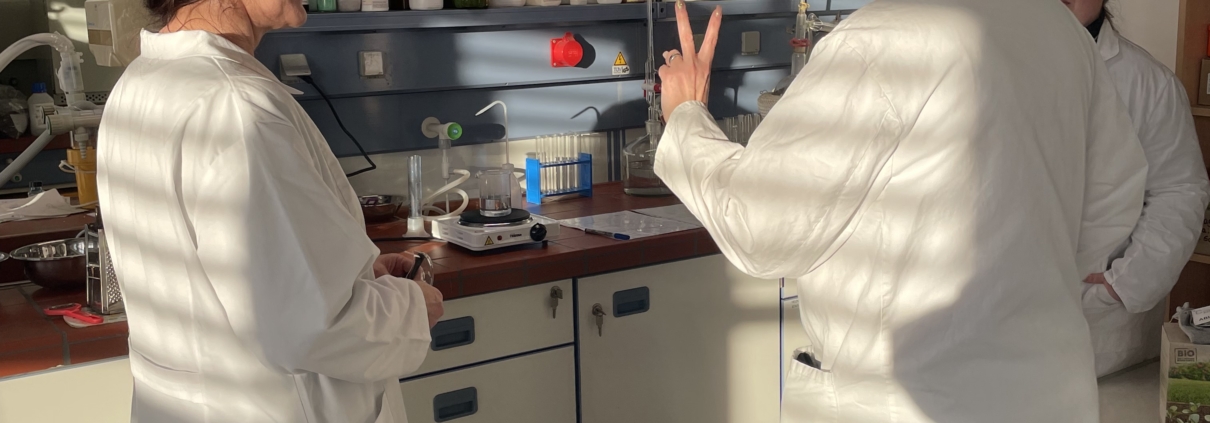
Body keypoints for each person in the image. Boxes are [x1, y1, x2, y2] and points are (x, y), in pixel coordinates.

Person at [654, 0, 1147, 421]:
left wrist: (685, 118)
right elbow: (1111, 205)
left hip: (907, 402)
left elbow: (759, 227)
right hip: (1047, 397)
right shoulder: (1058, 30)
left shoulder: (881, 38)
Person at [94, 0, 444, 420]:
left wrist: (349, 275)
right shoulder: (238, 108)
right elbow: (311, 327)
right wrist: (412, 307)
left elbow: (232, 282)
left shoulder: (140, 81)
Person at [1063, 0, 1210, 378]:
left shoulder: (1149, 83)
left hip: (1100, 331)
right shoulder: (984, 67)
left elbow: (1179, 191)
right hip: (991, 316)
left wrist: (1126, 283)